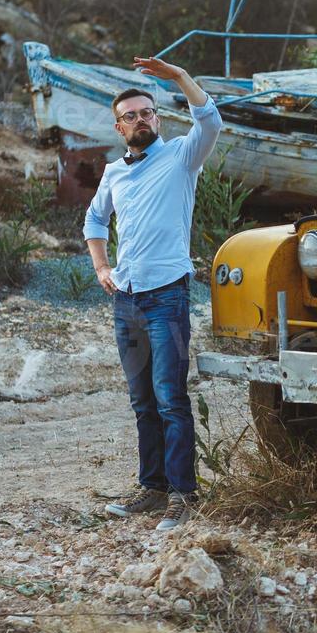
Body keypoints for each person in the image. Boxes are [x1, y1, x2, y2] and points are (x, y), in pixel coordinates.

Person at [84, 57, 222, 532]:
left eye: (148, 112)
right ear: (119, 125)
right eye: (131, 115)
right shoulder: (112, 173)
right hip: (128, 299)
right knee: (142, 400)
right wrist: (102, 266)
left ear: (157, 119)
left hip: (168, 297)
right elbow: (94, 220)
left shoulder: (184, 156)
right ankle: (153, 487)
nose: (141, 119)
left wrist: (180, 77)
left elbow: (211, 119)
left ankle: (184, 496)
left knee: (170, 397)